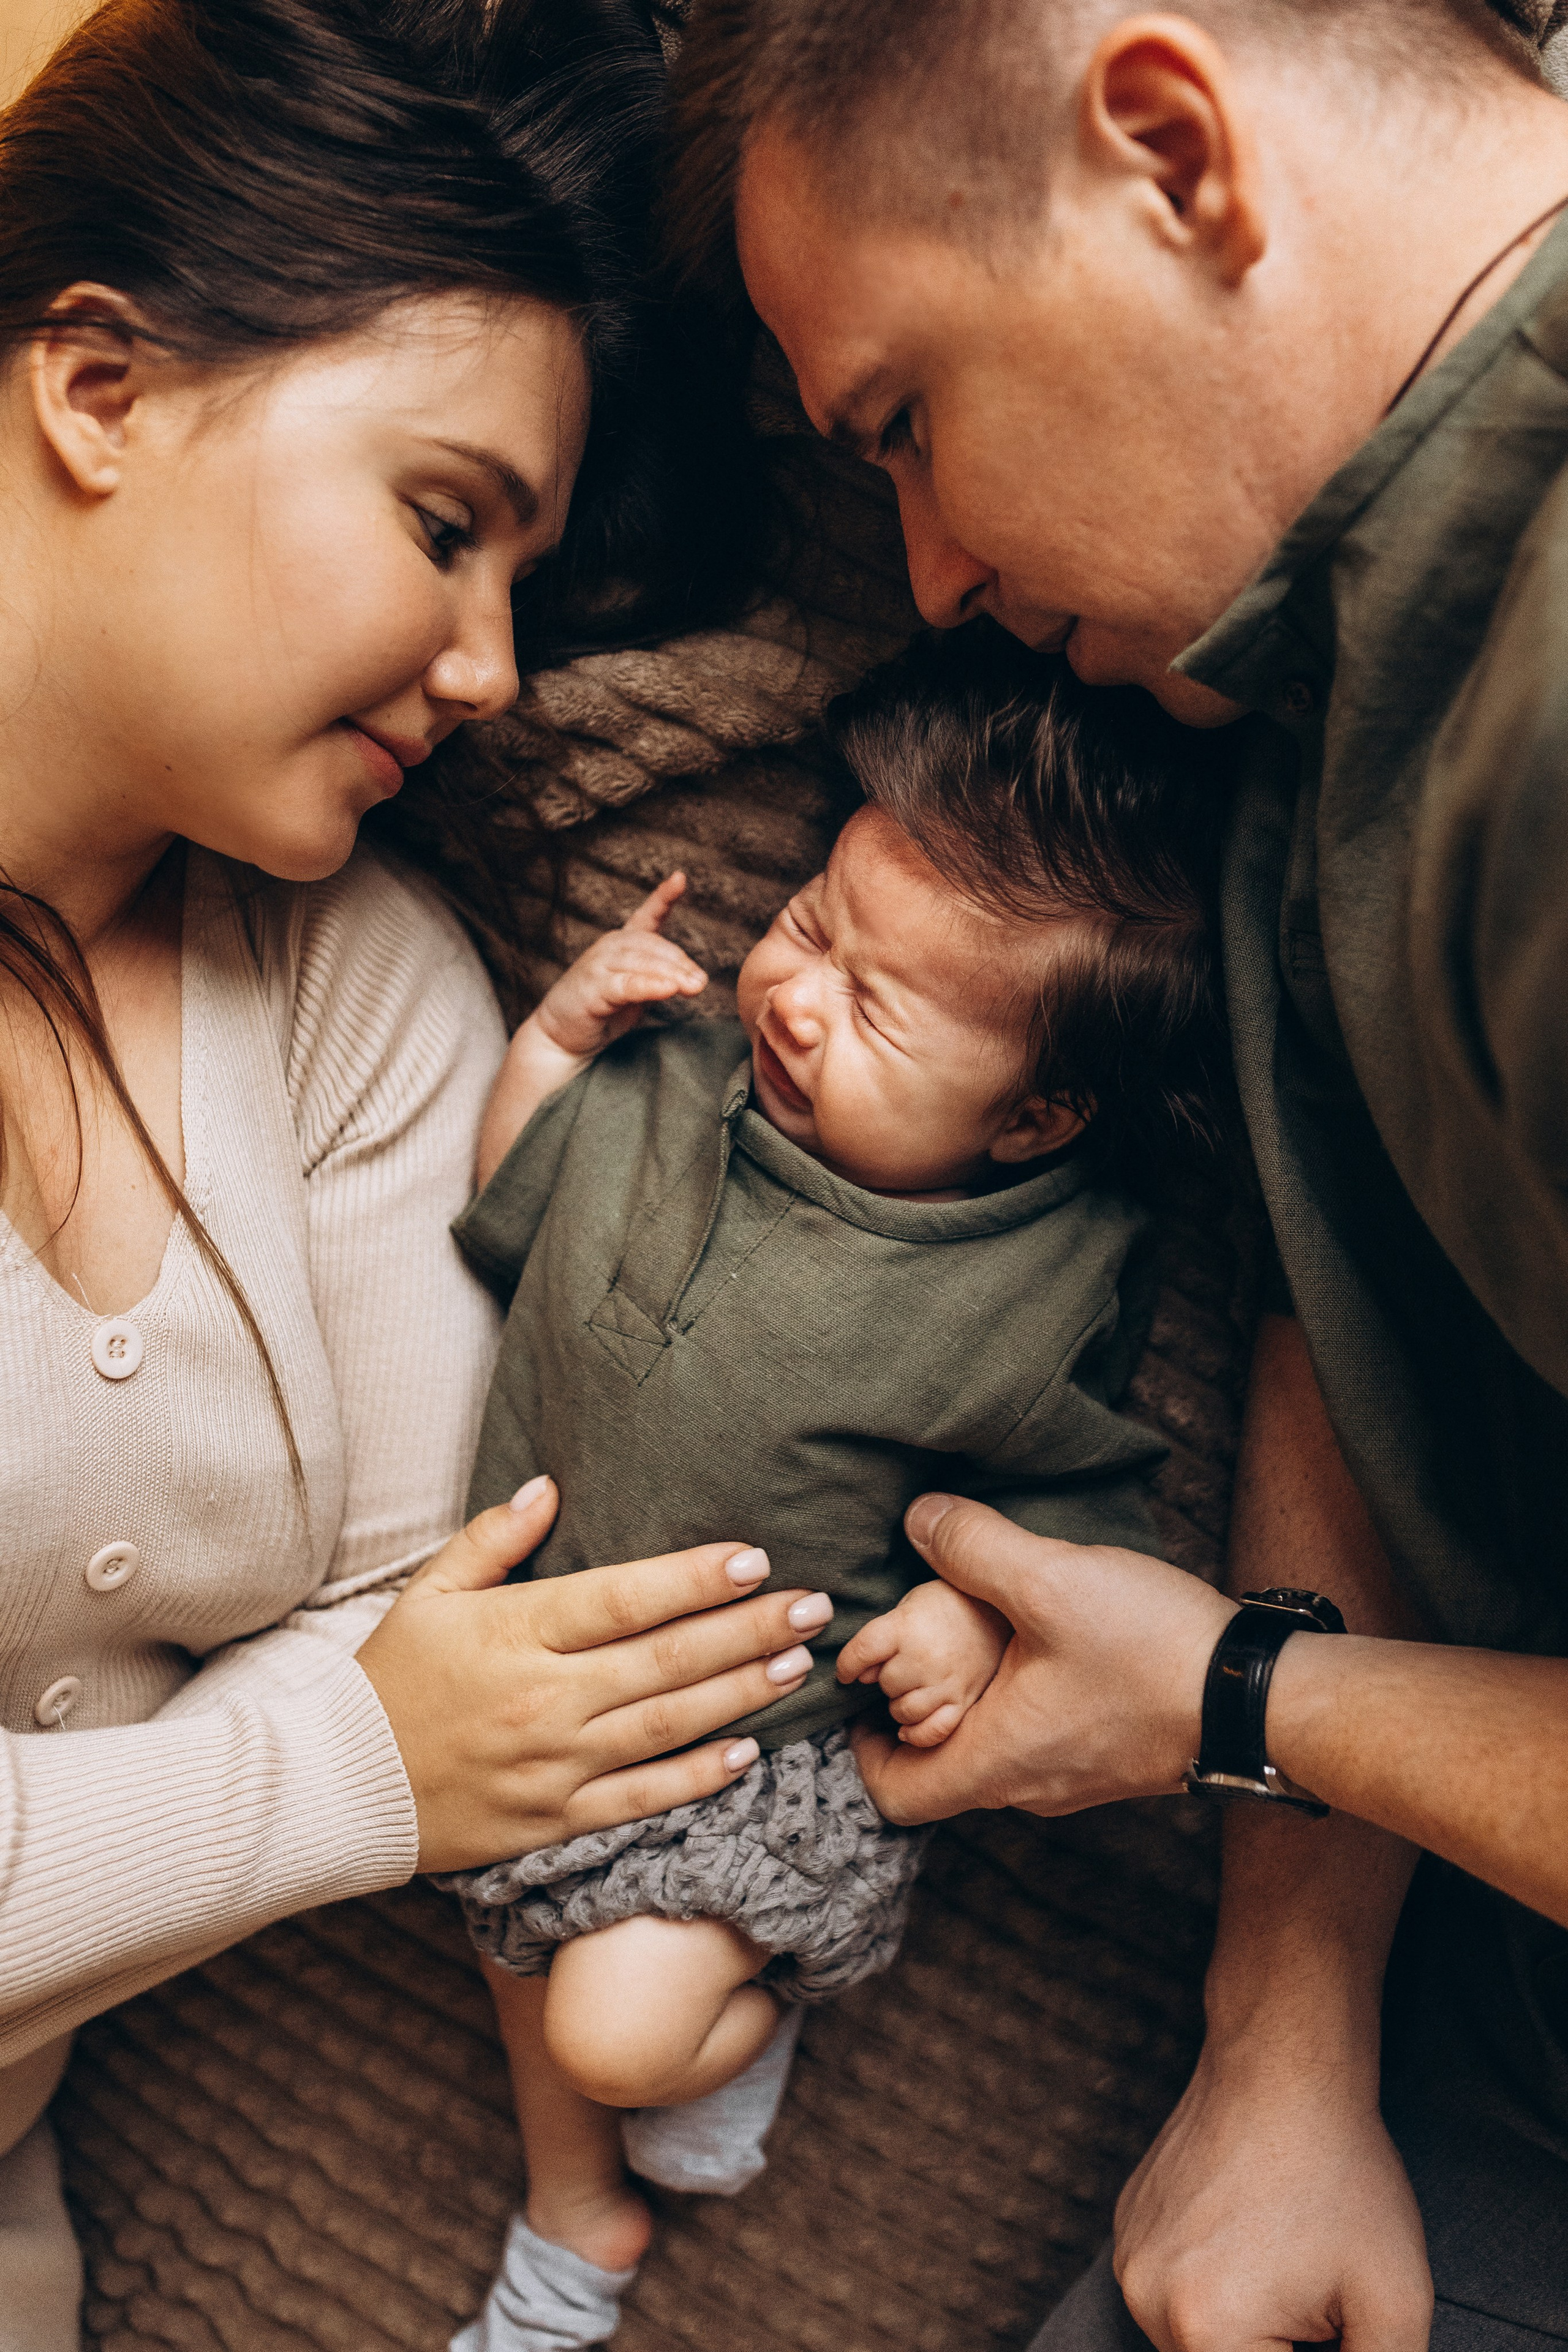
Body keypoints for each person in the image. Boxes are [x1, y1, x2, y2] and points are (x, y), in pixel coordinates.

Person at [666, 1, 1568, 2347]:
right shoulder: (1297, 712)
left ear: (1173, 152)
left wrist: (1239, 1698)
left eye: (909, 428)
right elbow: (1348, 1331)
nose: (932, 569)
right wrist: (1288, 2039)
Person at [0, 1, 821, 2340]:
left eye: (524, 592)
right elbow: (409, 1719)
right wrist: (351, 1768)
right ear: (100, 386)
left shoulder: (357, 993)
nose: (486, 670)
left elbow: (454, 1620)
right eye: (441, 525)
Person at [436, 630, 1224, 2352]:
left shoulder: (1031, 1277)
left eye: (875, 1006)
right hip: (531, 1681)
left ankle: (752, 2001)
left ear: (1034, 1121)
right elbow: (509, 1211)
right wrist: (560, 1040)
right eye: (806, 923)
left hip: (749, 1755)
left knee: (613, 2035)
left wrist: (963, 1610)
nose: (791, 992)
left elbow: (1082, 1520)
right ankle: (572, 2229)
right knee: (507, 1935)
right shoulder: (674, 1077)